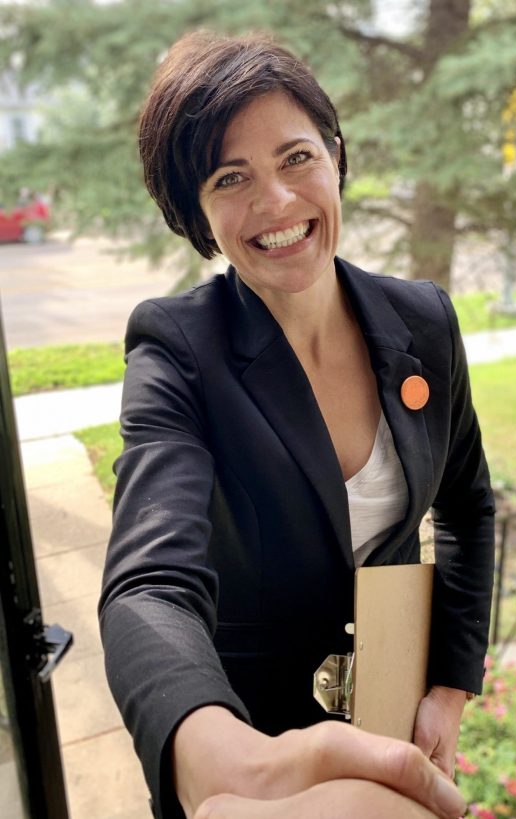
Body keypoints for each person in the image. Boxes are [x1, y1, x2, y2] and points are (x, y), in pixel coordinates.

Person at [99, 30, 495, 819]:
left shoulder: (423, 320)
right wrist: (215, 756)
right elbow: (149, 583)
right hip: (252, 753)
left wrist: (448, 687)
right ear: (197, 212)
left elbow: (468, 504)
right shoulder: (178, 349)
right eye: (230, 177)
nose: (277, 201)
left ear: (335, 156)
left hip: (389, 719)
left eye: (296, 157)